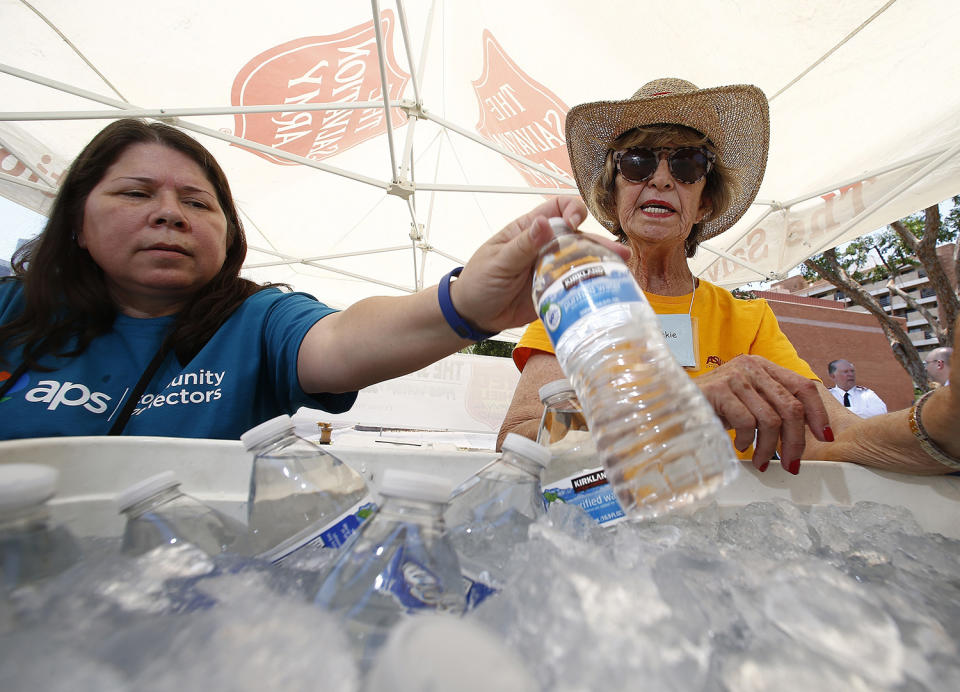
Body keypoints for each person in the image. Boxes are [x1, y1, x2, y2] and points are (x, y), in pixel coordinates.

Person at [0, 119, 627, 441]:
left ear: (228, 232)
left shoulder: (256, 322)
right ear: (77, 221)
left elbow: (344, 341)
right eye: (136, 193)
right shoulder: (12, 310)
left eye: (197, 202)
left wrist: (467, 305)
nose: (169, 213)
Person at [499, 78, 960, 476]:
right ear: (613, 192)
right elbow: (520, 437)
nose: (660, 178)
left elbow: (832, 434)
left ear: (704, 203)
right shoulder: (578, 300)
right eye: (637, 161)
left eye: (686, 165)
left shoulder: (750, 320)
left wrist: (943, 417)